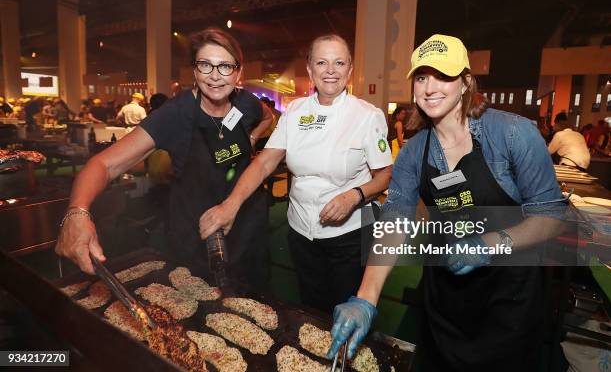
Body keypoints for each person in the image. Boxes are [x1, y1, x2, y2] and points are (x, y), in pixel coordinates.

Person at [327, 34, 566, 370]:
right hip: (445, 301)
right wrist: (365, 298)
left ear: (466, 82)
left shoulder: (512, 134)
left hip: (510, 301)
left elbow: (552, 214)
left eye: (443, 76)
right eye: (422, 77)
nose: (430, 87)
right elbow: (395, 222)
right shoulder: (413, 152)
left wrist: (489, 244)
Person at [55, 27, 273, 288]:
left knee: (254, 301)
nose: (215, 76)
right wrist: (77, 212)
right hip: (197, 233)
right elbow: (104, 164)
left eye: (225, 66)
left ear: (239, 72)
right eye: (205, 65)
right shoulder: (175, 114)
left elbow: (268, 116)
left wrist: (251, 138)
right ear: (194, 70)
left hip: (246, 224)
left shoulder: (246, 103)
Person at [200, 34, 393, 313]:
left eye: (339, 63)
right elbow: (265, 162)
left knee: (346, 310)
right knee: (312, 310)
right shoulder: (295, 111)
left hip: (349, 235)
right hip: (301, 232)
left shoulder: (366, 115)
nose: (330, 70)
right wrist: (231, 204)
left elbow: (385, 175)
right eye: (321, 62)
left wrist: (354, 196)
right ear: (310, 69)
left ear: (350, 70)